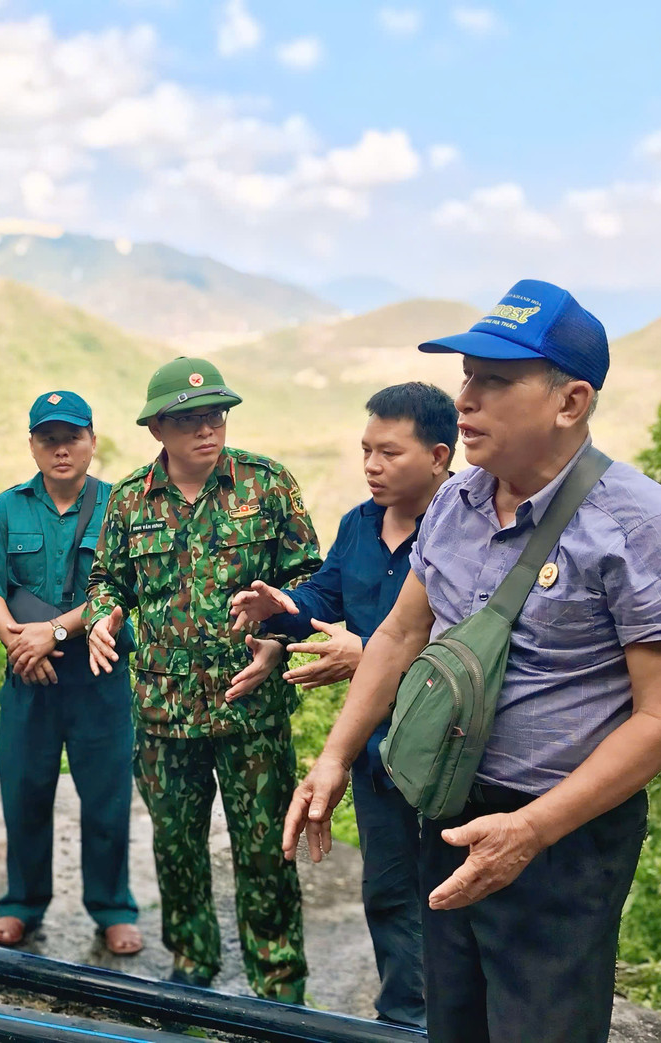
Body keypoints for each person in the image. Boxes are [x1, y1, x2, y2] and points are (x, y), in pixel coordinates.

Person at [285, 280, 661, 1042]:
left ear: (570, 401)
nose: (466, 400)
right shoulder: (455, 505)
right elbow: (398, 635)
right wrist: (334, 757)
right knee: (452, 1018)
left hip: (561, 836)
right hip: (448, 805)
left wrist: (529, 830)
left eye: (495, 381)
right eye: (467, 376)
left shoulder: (644, 527)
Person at [85, 357, 321, 1002]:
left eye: (215, 413)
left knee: (265, 849)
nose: (206, 428)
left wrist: (277, 636)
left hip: (250, 704)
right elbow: (110, 580)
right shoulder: (130, 499)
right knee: (177, 847)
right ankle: (192, 963)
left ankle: (279, 981)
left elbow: (308, 578)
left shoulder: (268, 485)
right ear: (158, 428)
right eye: (188, 419)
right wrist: (104, 615)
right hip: (164, 710)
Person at [229, 381, 457, 1028]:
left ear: (439, 455)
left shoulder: (468, 527)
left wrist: (371, 653)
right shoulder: (361, 523)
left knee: (451, 886)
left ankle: (458, 1017)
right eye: (366, 451)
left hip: (451, 745)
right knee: (387, 885)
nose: (372, 465)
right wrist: (285, 610)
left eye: (390, 452)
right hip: (376, 743)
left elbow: (472, 638)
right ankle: (402, 1015)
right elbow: (327, 592)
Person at [0, 390, 141, 956]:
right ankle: (22, 904)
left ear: (93, 441)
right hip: (27, 678)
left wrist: (54, 632)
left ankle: (112, 908)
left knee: (106, 798)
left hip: (99, 676)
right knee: (25, 792)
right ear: (33, 445)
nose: (61, 449)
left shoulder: (122, 506)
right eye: (48, 439)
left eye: (72, 437)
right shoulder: (7, 508)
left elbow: (126, 592)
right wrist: (19, 643)